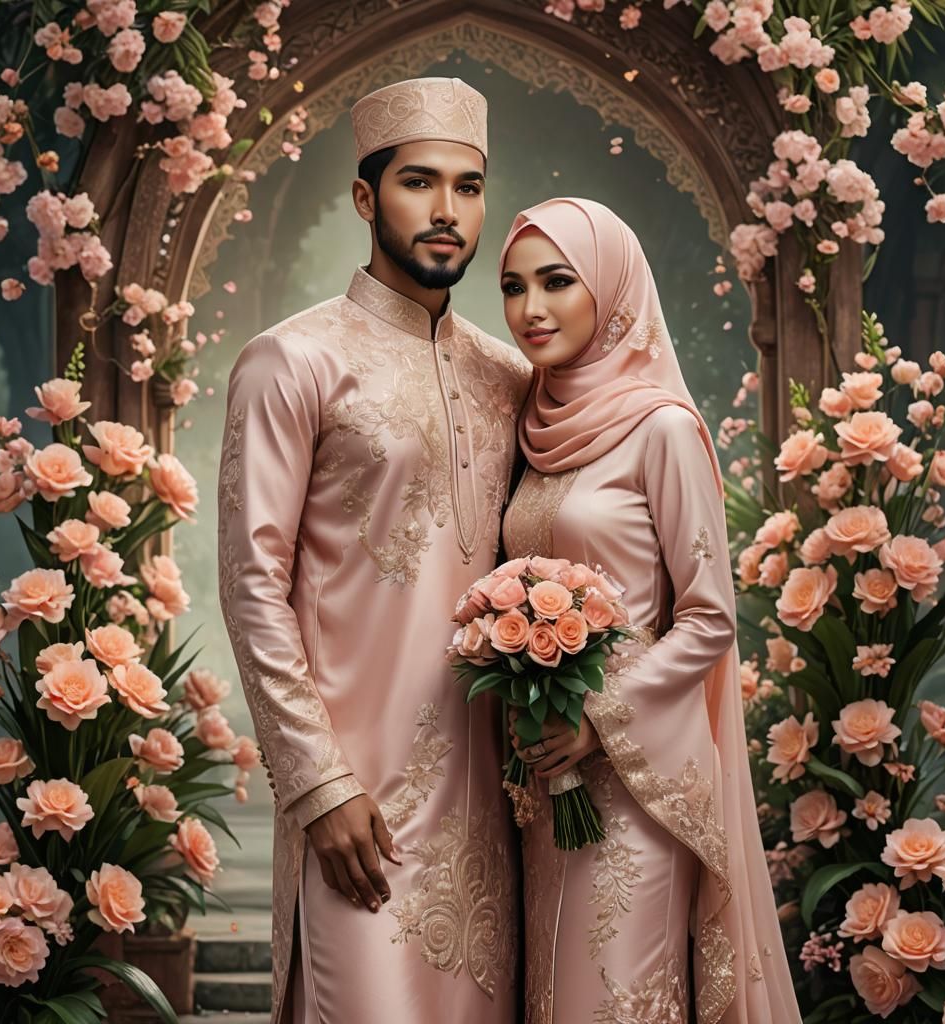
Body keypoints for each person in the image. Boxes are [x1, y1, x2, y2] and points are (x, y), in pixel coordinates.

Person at [217, 77, 531, 1024]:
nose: (446, 212)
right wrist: (317, 781)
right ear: (366, 198)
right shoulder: (293, 361)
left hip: (499, 813)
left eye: (468, 188)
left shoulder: (509, 374)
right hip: (361, 804)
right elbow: (250, 585)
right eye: (418, 183)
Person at [498, 198, 803, 1023]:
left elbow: (711, 616)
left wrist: (598, 715)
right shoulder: (535, 429)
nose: (532, 308)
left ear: (612, 287)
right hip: (550, 774)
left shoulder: (662, 429)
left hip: (639, 779)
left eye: (558, 281)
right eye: (514, 286)